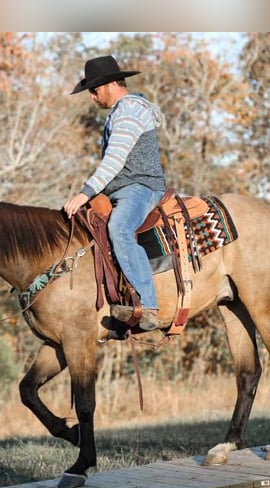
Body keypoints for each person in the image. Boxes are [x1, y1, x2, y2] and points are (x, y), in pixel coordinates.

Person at [64, 55, 166, 331]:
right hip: (119, 190)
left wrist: (84, 193)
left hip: (141, 187)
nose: (92, 98)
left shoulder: (129, 111)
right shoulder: (119, 111)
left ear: (109, 85)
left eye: (94, 91)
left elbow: (114, 161)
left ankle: (149, 306)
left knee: (120, 227)